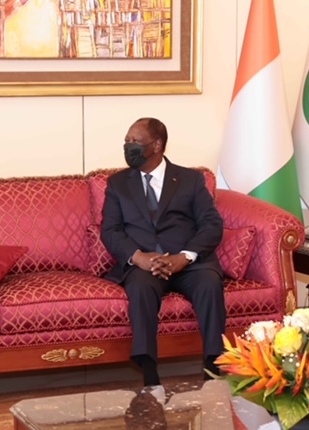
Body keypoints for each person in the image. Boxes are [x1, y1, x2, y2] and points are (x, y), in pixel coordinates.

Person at [100, 117, 226, 393]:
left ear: (156, 145)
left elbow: (212, 224)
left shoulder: (191, 179)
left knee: (209, 284)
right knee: (141, 288)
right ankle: (149, 371)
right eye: (126, 141)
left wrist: (185, 256)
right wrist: (138, 257)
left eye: (134, 141)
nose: (128, 146)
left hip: (188, 263)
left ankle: (214, 365)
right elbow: (110, 230)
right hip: (145, 265)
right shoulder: (118, 184)